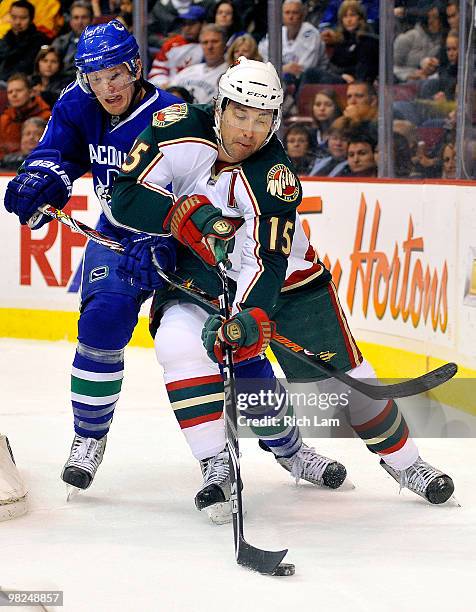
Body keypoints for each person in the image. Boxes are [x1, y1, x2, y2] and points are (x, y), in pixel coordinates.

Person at [109, 57, 455, 511]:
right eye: (240, 115)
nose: (250, 130)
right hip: (202, 273)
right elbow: (125, 196)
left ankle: (406, 462)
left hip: (287, 282)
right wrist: (178, 214)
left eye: (262, 119)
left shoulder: (274, 178)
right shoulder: (173, 128)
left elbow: (267, 260)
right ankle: (215, 461)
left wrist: (249, 315)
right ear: (219, 107)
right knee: (177, 343)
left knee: (347, 384)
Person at [2, 20, 180, 493]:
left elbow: (199, 189)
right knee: (100, 323)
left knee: (210, 345)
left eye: (115, 75)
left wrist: (169, 238)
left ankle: (283, 445)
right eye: (94, 78)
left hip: (179, 244)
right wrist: (41, 180)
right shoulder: (78, 103)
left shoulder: (173, 114)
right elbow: (57, 152)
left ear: (136, 68)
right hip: (117, 238)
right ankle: (89, 437)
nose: (105, 88)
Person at [258, 0, 328, 81]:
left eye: (295, 13)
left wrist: (277, 70)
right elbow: (263, 58)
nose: (290, 17)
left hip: (313, 81)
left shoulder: (311, 33)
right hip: (281, 78)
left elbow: (304, 69)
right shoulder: (277, 33)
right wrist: (283, 69)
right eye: (287, 13)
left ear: (302, 15)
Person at [147, 5, 205, 89]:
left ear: (203, 24)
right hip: (171, 90)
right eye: (184, 24)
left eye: (191, 23)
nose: (186, 28)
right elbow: (156, 72)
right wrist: (165, 85)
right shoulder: (171, 44)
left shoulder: (209, 44)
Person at [169, 24, 228, 104]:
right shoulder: (188, 71)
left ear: (225, 45)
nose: (209, 46)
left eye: (214, 42)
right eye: (205, 42)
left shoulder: (230, 74)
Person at [0, 72, 51, 158]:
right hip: (7, 167)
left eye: (19, 90)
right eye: (10, 92)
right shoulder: (4, 120)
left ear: (31, 93)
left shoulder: (48, 118)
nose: (14, 95)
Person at [0, 0, 49, 83]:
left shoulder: (40, 41)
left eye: (23, 18)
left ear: (31, 19)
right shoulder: (5, 39)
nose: (17, 22)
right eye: (14, 17)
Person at [52, 0, 93, 79]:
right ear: (70, 20)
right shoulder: (60, 41)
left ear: (91, 19)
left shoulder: (99, 42)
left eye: (84, 17)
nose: (80, 22)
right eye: (76, 17)